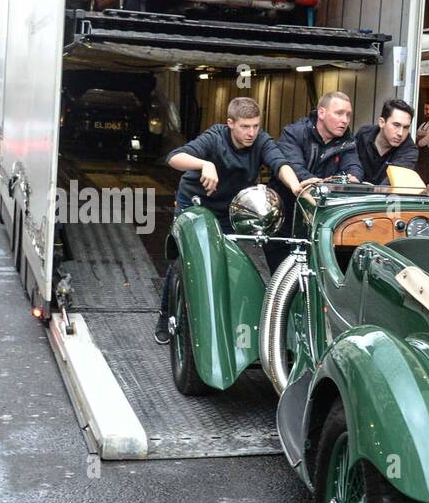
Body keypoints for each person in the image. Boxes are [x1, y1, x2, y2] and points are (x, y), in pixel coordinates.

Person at [154, 96, 308, 343]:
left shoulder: (262, 141)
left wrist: (296, 186)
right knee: (183, 261)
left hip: (229, 210)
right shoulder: (215, 137)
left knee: (229, 261)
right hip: (195, 204)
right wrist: (205, 164)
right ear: (230, 124)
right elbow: (174, 157)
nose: (251, 133)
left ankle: (223, 318)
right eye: (245, 127)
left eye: (256, 126)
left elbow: (281, 164)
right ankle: (166, 316)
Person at [267, 90, 364, 270]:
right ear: (321, 113)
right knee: (281, 279)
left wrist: (353, 179)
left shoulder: (347, 141)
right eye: (339, 113)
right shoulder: (294, 133)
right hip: (285, 219)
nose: (345, 120)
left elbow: (355, 167)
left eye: (348, 115)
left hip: (321, 224)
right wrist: (322, 183)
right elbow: (294, 167)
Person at [354, 99, 419, 185]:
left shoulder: (409, 150)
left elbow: (393, 182)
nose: (400, 133)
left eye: (406, 127)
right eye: (396, 125)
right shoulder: (363, 134)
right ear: (382, 122)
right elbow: (351, 163)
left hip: (385, 197)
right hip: (354, 194)